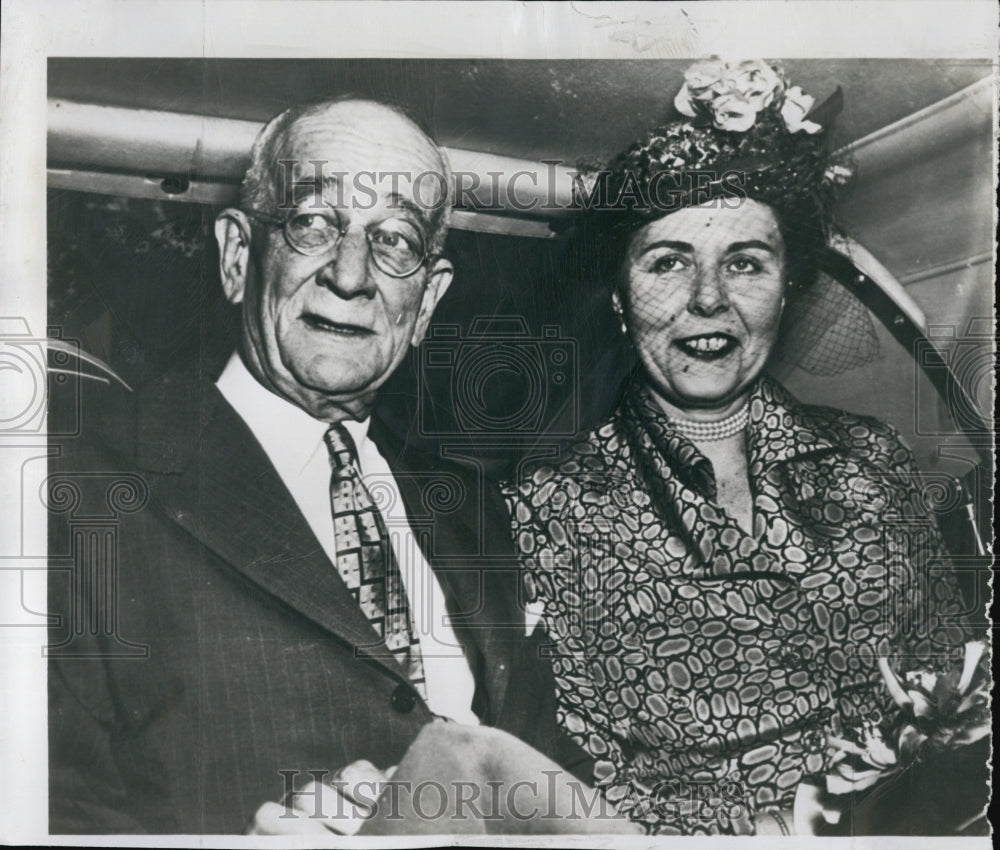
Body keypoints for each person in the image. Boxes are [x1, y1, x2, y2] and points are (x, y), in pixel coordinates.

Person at [47, 98, 581, 834]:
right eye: (314, 223)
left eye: (395, 239)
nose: (351, 273)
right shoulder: (72, 489)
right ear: (239, 256)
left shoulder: (471, 503)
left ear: (427, 302)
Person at [506, 60, 972, 835]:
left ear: (786, 290)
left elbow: (950, 679)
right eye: (667, 263)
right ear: (621, 302)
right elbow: (579, 792)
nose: (710, 299)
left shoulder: (876, 458)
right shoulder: (549, 506)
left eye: (746, 262)